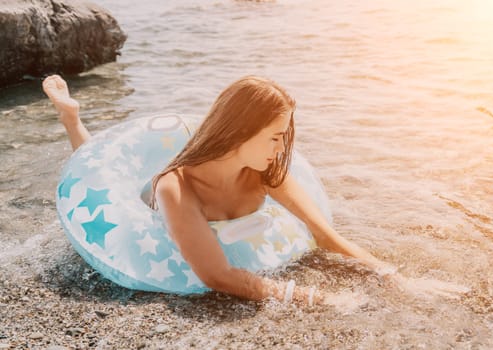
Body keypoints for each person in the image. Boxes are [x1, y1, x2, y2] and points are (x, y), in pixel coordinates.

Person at [43, 74, 468, 307]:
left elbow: (326, 237)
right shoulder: (176, 188)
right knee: (98, 165)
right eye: (274, 137)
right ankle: (73, 121)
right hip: (143, 210)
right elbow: (216, 275)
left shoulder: (266, 172)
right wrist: (316, 298)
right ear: (239, 133)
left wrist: (398, 279)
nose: (283, 148)